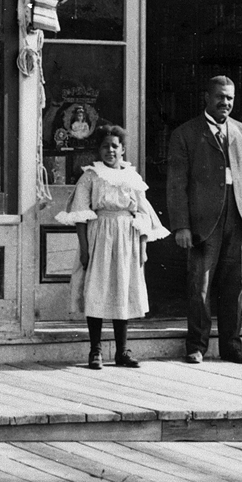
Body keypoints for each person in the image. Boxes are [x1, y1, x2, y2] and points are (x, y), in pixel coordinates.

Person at [165, 74, 242, 365]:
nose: (226, 103)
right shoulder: (185, 134)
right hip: (201, 221)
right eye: (220, 97)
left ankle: (232, 347)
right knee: (200, 286)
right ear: (206, 98)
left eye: (230, 98)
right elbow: (176, 184)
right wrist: (181, 225)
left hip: (238, 217)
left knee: (236, 285)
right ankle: (196, 346)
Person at [52, 123, 168, 369]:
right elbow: (81, 214)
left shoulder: (132, 178)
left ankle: (122, 351)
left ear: (123, 149)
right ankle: (95, 351)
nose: (110, 151)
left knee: (122, 291)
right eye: (105, 146)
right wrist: (84, 249)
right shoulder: (91, 176)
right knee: (97, 290)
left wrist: (143, 247)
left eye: (114, 146)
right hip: (99, 237)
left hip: (127, 239)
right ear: (99, 150)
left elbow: (143, 214)